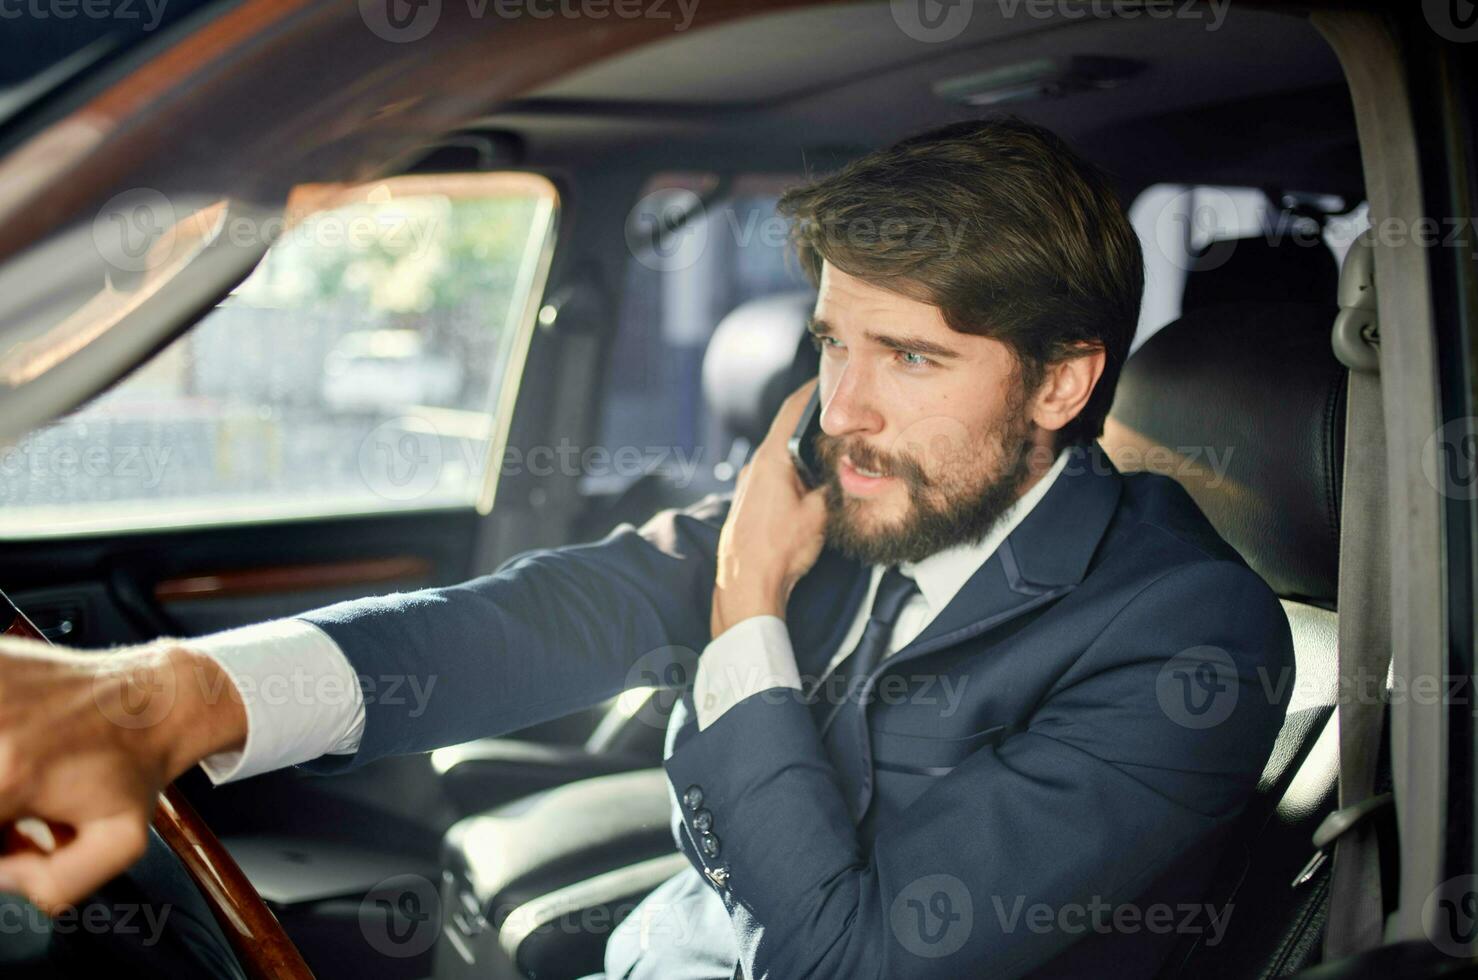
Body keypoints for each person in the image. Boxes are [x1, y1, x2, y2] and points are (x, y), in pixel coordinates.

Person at [0, 117, 1293, 978]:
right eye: (834, 341)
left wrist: (745, 610)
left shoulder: (1185, 636)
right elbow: (537, 617)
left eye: (912, 357)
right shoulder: (853, 484)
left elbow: (845, 960)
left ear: (1062, 384)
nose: (843, 407)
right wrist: (168, 696)